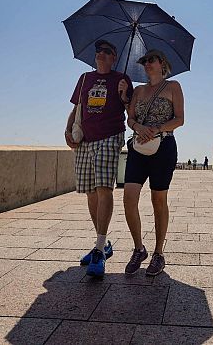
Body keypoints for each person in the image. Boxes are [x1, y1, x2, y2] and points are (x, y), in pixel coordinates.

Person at [64, 39, 133, 278]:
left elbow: (131, 112)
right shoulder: (84, 78)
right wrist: (67, 130)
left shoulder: (122, 79)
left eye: (106, 51)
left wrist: (124, 95)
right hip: (85, 139)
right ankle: (102, 244)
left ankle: (99, 250)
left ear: (114, 57)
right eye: (98, 51)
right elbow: (77, 108)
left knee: (104, 189)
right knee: (90, 193)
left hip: (110, 137)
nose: (101, 54)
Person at [123, 49, 184, 276]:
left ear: (162, 63)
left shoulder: (173, 86)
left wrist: (156, 129)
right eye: (144, 61)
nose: (147, 63)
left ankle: (159, 253)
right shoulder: (139, 90)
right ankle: (139, 249)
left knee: (158, 199)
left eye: (152, 60)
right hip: (138, 147)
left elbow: (180, 119)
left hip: (164, 146)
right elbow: (130, 119)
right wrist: (139, 127)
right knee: (129, 198)